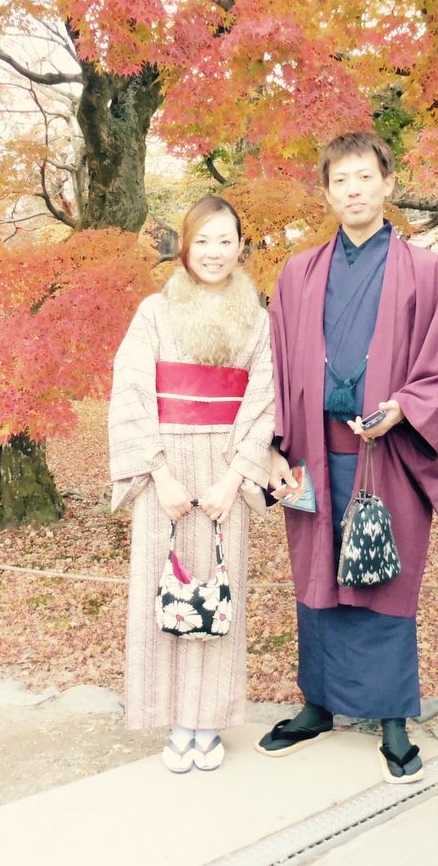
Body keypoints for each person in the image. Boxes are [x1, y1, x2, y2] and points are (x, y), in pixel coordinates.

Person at [260, 132, 438, 784]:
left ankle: (391, 718)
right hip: (312, 447)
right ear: (327, 192)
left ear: (387, 183)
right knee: (317, 578)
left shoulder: (424, 269)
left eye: (364, 177)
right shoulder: (298, 273)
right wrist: (272, 446)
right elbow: (272, 363)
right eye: (340, 180)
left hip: (389, 454)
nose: (353, 190)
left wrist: (406, 407)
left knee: (383, 582)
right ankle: (318, 704)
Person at [108, 196, 276, 773]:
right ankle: (176, 722)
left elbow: (264, 402)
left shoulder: (259, 320)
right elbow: (131, 392)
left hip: (227, 465)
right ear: (185, 245)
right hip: (165, 468)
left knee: (218, 592)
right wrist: (159, 474)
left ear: (240, 247)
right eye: (202, 240)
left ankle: (209, 723)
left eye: (225, 240)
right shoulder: (154, 312)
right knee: (164, 592)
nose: (213, 252)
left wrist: (235, 479)